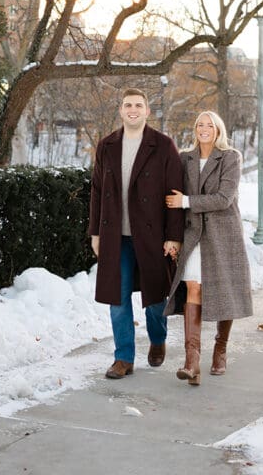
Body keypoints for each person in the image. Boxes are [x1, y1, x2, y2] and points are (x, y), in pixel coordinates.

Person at [89, 88, 184, 379]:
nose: (133, 109)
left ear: (146, 111)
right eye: (128, 105)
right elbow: (96, 191)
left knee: (155, 298)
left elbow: (174, 193)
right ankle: (123, 358)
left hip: (152, 236)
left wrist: (174, 235)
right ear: (121, 110)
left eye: (138, 105)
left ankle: (157, 339)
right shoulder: (106, 146)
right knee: (117, 300)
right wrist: (95, 233)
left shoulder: (163, 145)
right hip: (116, 237)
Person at [164, 111, 253, 386]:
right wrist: (173, 234)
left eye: (209, 125)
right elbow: (172, 196)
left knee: (222, 290)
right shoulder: (185, 158)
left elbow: (224, 198)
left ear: (218, 130)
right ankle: (192, 362)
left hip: (223, 232)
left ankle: (220, 348)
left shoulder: (230, 157)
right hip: (193, 234)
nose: (204, 129)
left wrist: (187, 201)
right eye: (199, 125)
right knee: (193, 287)